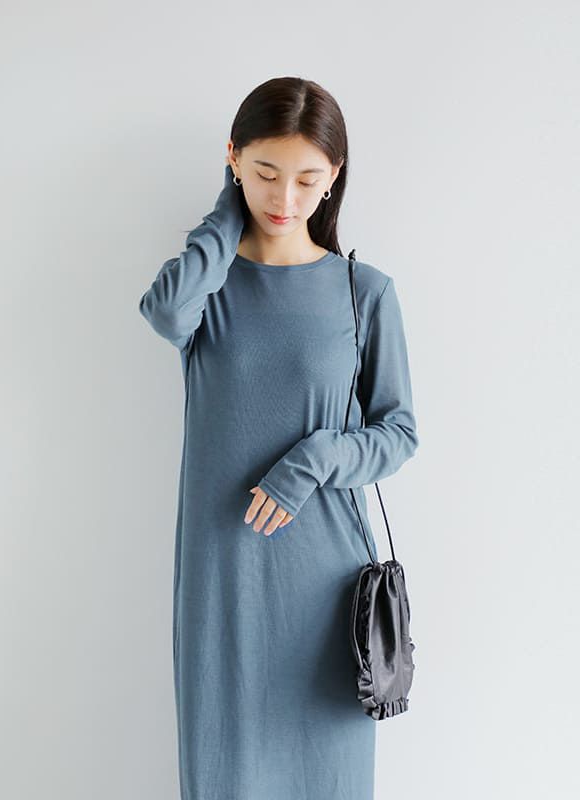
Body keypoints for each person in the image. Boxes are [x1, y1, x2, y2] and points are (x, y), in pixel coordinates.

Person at [137, 76, 419, 800]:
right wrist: (226, 213)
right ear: (233, 158)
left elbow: (398, 433)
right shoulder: (208, 286)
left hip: (327, 583)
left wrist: (316, 458)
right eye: (265, 172)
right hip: (224, 577)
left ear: (335, 177)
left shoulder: (364, 292)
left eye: (307, 179)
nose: (285, 198)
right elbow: (165, 312)